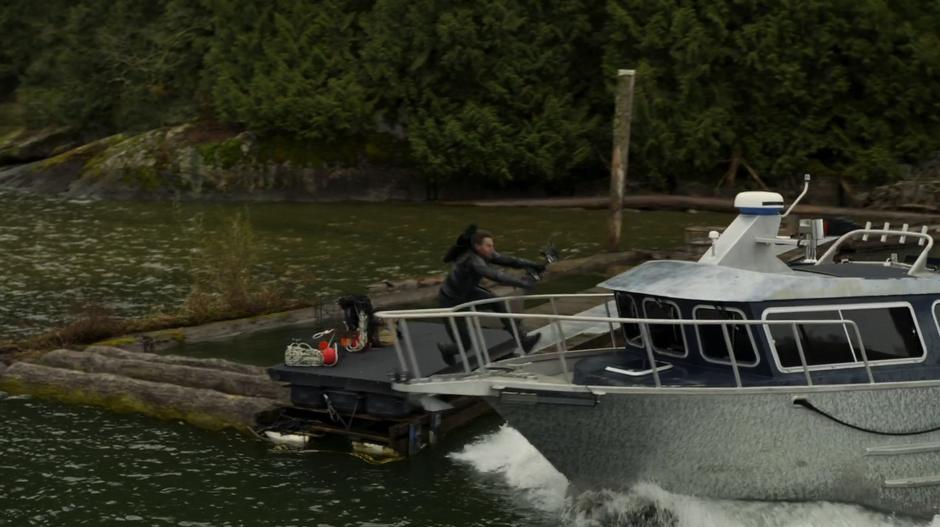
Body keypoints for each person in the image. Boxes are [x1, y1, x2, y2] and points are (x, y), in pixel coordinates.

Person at [437, 225, 544, 365]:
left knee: (497, 303)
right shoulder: (472, 260)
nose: (492, 249)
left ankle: (523, 340)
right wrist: (521, 283)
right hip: (451, 301)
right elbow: (495, 275)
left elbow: (510, 260)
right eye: (488, 246)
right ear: (477, 246)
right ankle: (446, 349)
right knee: (464, 346)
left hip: (469, 292)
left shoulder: (485, 253)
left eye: (492, 245)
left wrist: (534, 265)